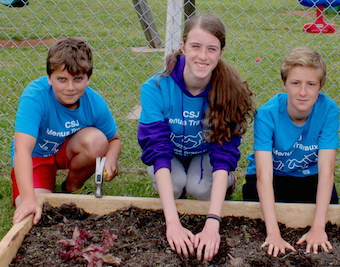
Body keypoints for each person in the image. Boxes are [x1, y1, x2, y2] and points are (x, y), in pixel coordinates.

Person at [137, 13, 255, 262]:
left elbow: (224, 153)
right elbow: (157, 150)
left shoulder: (228, 90)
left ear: (221, 51)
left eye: (211, 49)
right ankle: (177, 196)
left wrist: (213, 223)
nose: (203, 56)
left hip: (206, 154)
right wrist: (173, 223)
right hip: (170, 155)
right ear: (182, 47)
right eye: (195, 47)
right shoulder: (155, 87)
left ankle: (226, 184)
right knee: (176, 183)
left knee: (200, 189)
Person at [11, 37, 121, 225]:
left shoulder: (94, 102)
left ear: (88, 78)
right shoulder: (34, 96)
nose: (70, 88)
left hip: (66, 151)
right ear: (49, 78)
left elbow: (114, 140)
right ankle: (40, 188)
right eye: (62, 79)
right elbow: (22, 150)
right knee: (41, 209)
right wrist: (28, 199)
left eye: (78, 79)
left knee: (97, 140)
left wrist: (111, 158)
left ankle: (71, 187)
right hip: (36, 157)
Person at [242, 46, 339, 257]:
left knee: (330, 209)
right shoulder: (267, 115)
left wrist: (318, 228)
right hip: (273, 176)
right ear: (284, 83)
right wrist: (274, 234)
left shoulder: (329, 111)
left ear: (320, 86)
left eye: (311, 84)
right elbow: (263, 176)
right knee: (251, 214)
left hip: (308, 176)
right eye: (296, 83)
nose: (303, 92)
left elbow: (326, 170)